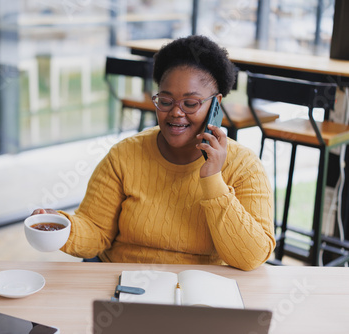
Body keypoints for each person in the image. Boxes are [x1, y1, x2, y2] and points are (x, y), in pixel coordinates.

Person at [32, 35, 275, 271]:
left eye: (190, 103)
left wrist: (213, 180)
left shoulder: (244, 166)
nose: (176, 113)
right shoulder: (124, 155)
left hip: (196, 294)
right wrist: (62, 227)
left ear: (216, 104)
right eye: (166, 101)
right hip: (122, 285)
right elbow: (96, 232)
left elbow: (251, 258)